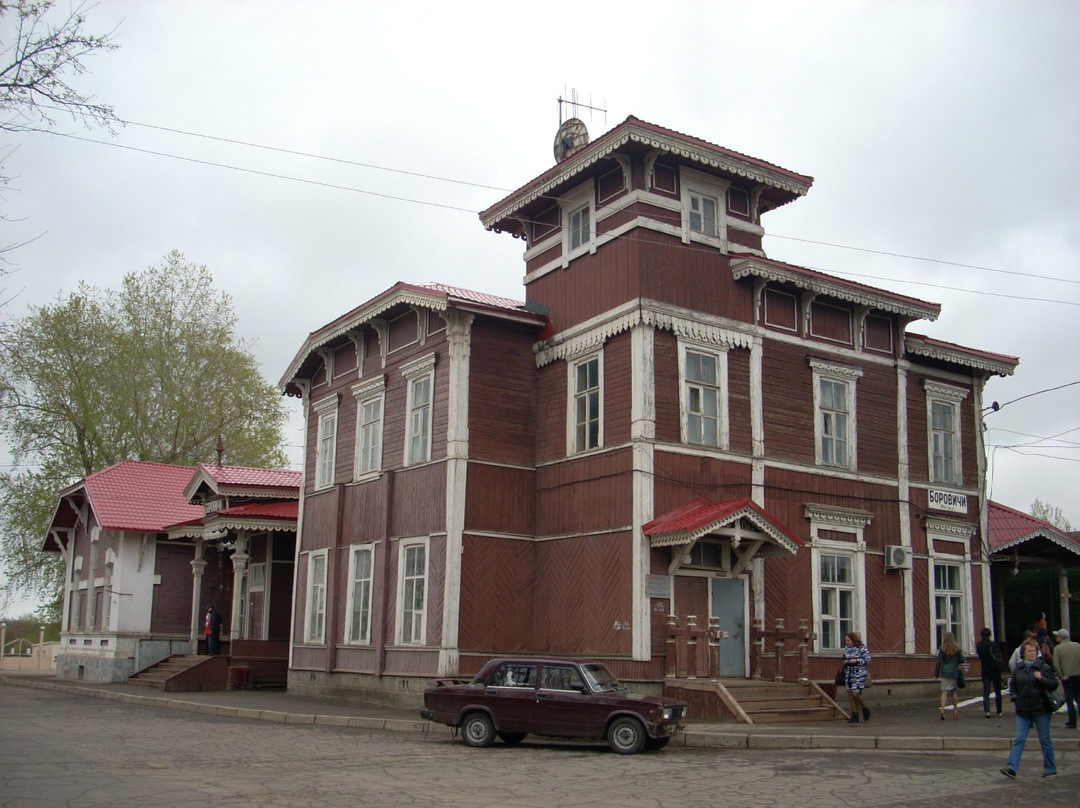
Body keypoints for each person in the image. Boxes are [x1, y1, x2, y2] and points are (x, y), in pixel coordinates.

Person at [1000, 638, 1059, 779]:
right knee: (1019, 739)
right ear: (1024, 653)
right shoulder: (1019, 669)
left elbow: (1054, 684)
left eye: (1034, 651)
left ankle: (1050, 768)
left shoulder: (1043, 668)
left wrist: (1042, 679)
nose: (1032, 653)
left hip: (1041, 709)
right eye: (1029, 651)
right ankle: (1011, 767)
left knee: (1045, 740)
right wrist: (1015, 697)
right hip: (1023, 710)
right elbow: (1013, 686)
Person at [1052, 628, 1079, 729]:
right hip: (1078, 675)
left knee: (1069, 698)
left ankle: (1072, 721)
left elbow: (1056, 664)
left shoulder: (1057, 649)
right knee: (1078, 696)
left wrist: (1061, 675)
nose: (1056, 638)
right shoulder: (1077, 646)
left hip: (1066, 676)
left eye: (1057, 636)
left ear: (1061, 637)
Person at [841, 632, 871, 723]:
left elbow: (868, 659)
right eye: (845, 640)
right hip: (849, 672)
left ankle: (865, 708)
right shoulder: (847, 648)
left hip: (859, 673)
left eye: (848, 640)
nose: (846, 642)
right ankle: (854, 715)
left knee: (856, 693)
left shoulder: (861, 647)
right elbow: (844, 658)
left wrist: (857, 660)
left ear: (853, 640)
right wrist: (845, 662)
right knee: (850, 694)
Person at [935, 632, 964, 720]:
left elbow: (939, 662)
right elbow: (961, 660)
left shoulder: (942, 649)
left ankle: (943, 710)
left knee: (944, 692)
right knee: (954, 691)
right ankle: (955, 711)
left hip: (945, 672)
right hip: (954, 672)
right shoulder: (957, 649)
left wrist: (936, 674)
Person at [976, 627, 1004, 718]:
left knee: (986, 691)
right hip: (995, 669)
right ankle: (999, 711)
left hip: (985, 669)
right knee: (997, 690)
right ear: (990, 635)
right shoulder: (993, 644)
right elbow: (998, 655)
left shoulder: (979, 645)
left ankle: (987, 711)